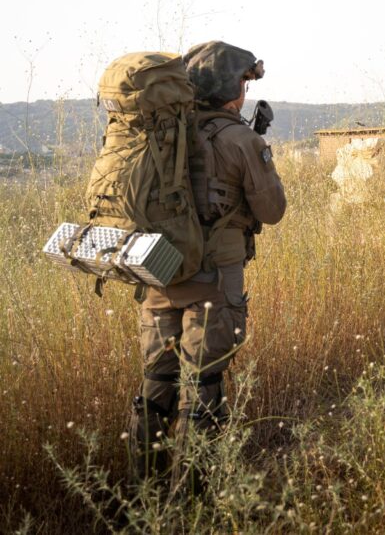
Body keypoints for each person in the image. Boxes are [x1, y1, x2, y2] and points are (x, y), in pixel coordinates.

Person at [130, 41, 287, 482]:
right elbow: (272, 211)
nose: (245, 89)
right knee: (202, 389)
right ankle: (194, 503)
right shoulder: (241, 139)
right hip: (214, 284)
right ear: (230, 87)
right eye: (242, 81)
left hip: (159, 275)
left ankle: (145, 494)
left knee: (155, 387)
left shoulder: (160, 134)